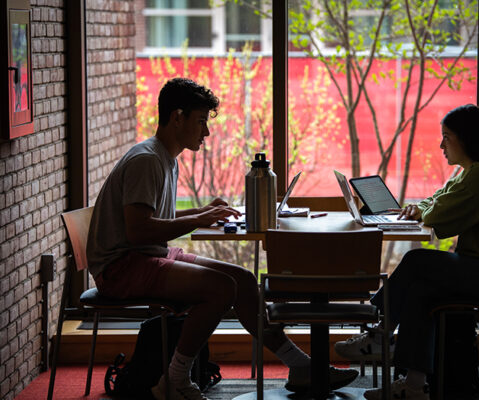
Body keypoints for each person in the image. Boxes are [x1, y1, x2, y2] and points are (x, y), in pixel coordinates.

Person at [86, 78, 357, 400]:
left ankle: (300, 367)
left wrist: (201, 211)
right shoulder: (147, 160)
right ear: (177, 117)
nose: (206, 132)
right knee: (220, 288)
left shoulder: (163, 158)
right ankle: (174, 379)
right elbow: (138, 230)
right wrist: (197, 220)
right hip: (121, 267)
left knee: (242, 279)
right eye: (200, 121)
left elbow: (150, 222)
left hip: (144, 256)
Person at [334, 104, 479, 400]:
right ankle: (413, 386)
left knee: (417, 261)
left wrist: (424, 210)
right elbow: (438, 199)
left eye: (447, 137)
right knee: (423, 291)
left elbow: (437, 213)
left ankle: (380, 332)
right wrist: (422, 207)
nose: (441, 144)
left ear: (466, 139)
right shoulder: (471, 171)